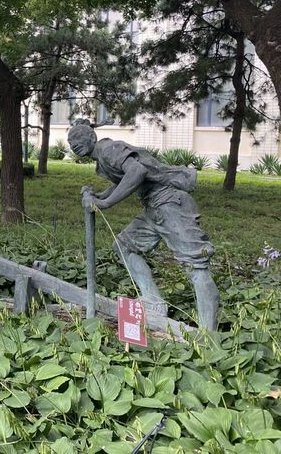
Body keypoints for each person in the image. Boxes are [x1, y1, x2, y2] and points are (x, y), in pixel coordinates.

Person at [68, 119, 219, 331]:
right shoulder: (103, 157)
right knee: (124, 246)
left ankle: (208, 336)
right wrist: (98, 195)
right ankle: (153, 302)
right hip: (154, 208)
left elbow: (137, 172)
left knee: (196, 265)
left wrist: (106, 203)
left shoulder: (109, 148)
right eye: (70, 141)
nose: (73, 143)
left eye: (77, 137)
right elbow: (121, 181)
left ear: (92, 137)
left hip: (170, 204)